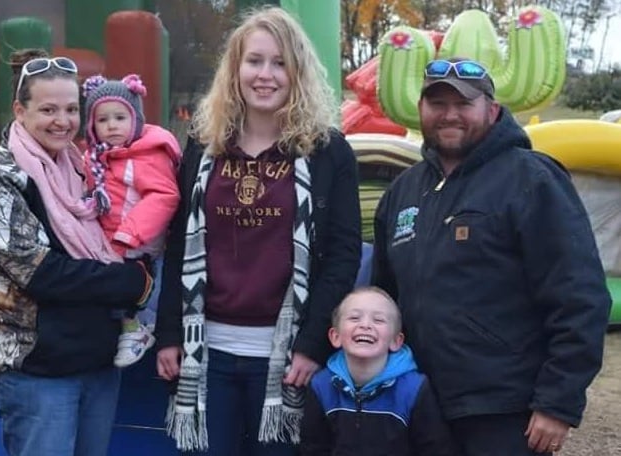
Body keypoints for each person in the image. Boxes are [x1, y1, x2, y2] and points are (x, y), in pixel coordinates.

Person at [372, 57, 612, 456]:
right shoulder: (402, 192)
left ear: (492, 109)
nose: (450, 115)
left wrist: (557, 401)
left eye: (463, 103)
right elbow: (383, 296)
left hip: (505, 411)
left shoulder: (532, 179)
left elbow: (580, 297)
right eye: (437, 104)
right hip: (419, 403)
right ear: (421, 111)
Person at [154, 6, 362, 456]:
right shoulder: (203, 142)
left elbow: (344, 255)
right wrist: (169, 332)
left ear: (298, 72)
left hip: (287, 358)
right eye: (254, 61)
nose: (265, 74)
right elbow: (178, 244)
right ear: (235, 69)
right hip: (204, 353)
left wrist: (312, 345)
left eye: (280, 63)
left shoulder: (328, 151)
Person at [0, 49, 153, 456]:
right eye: (48, 109)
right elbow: (44, 275)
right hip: (39, 371)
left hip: (98, 362)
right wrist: (132, 281)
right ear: (19, 109)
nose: (62, 122)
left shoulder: (85, 168)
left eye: (70, 109)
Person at [82, 73, 182, 367]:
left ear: (135, 120)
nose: (112, 125)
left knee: (148, 289)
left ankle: (142, 329)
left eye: (120, 117)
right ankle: (126, 327)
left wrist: (130, 234)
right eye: (102, 120)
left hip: (141, 240)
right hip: (109, 241)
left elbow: (163, 196)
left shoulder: (146, 156)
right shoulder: (94, 158)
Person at [300, 287, 458, 456]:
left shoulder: (413, 389)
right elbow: (313, 448)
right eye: (354, 318)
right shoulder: (321, 386)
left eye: (378, 320)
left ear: (396, 341)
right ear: (335, 336)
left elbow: (435, 449)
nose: (365, 325)